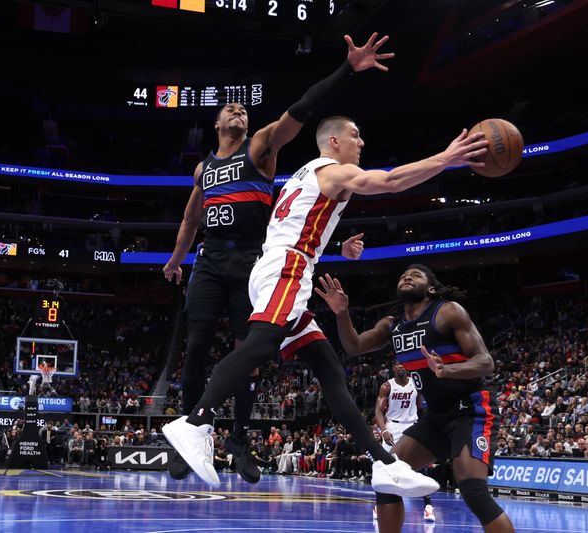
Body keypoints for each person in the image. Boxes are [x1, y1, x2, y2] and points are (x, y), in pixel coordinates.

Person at [162, 115, 488, 497]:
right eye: (355, 134)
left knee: (329, 369)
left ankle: (384, 466)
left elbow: (296, 226)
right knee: (262, 344)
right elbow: (389, 181)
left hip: (283, 265)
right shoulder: (333, 171)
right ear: (333, 142)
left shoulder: (304, 175)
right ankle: (196, 421)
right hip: (288, 267)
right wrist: (446, 158)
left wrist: (334, 248)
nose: (361, 142)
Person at [161, 32, 393, 483]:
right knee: (197, 346)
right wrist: (175, 260)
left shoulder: (261, 146)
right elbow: (191, 221)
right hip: (210, 259)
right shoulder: (202, 169)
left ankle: (240, 442)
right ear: (215, 124)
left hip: (253, 258)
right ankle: (190, 434)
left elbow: (304, 108)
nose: (238, 111)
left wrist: (347, 68)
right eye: (230, 108)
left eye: (243, 109)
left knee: (252, 349)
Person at [315, 265, 514, 533]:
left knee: (472, 490)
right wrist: (341, 314)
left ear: (431, 288)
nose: (407, 277)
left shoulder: (447, 312)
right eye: (403, 275)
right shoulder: (392, 325)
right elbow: (354, 347)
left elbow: (485, 362)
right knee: (388, 478)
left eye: (416, 275)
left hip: (471, 409)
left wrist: (446, 369)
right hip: (435, 416)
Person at [372, 362, 435, 523]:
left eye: (402, 365)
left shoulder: (415, 383)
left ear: (406, 367)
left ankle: (428, 507)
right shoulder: (387, 386)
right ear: (393, 369)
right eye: (397, 365)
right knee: (384, 468)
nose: (400, 367)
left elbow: (420, 407)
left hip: (412, 425)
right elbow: (378, 410)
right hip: (392, 426)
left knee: (420, 467)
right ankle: (379, 504)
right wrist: (384, 430)